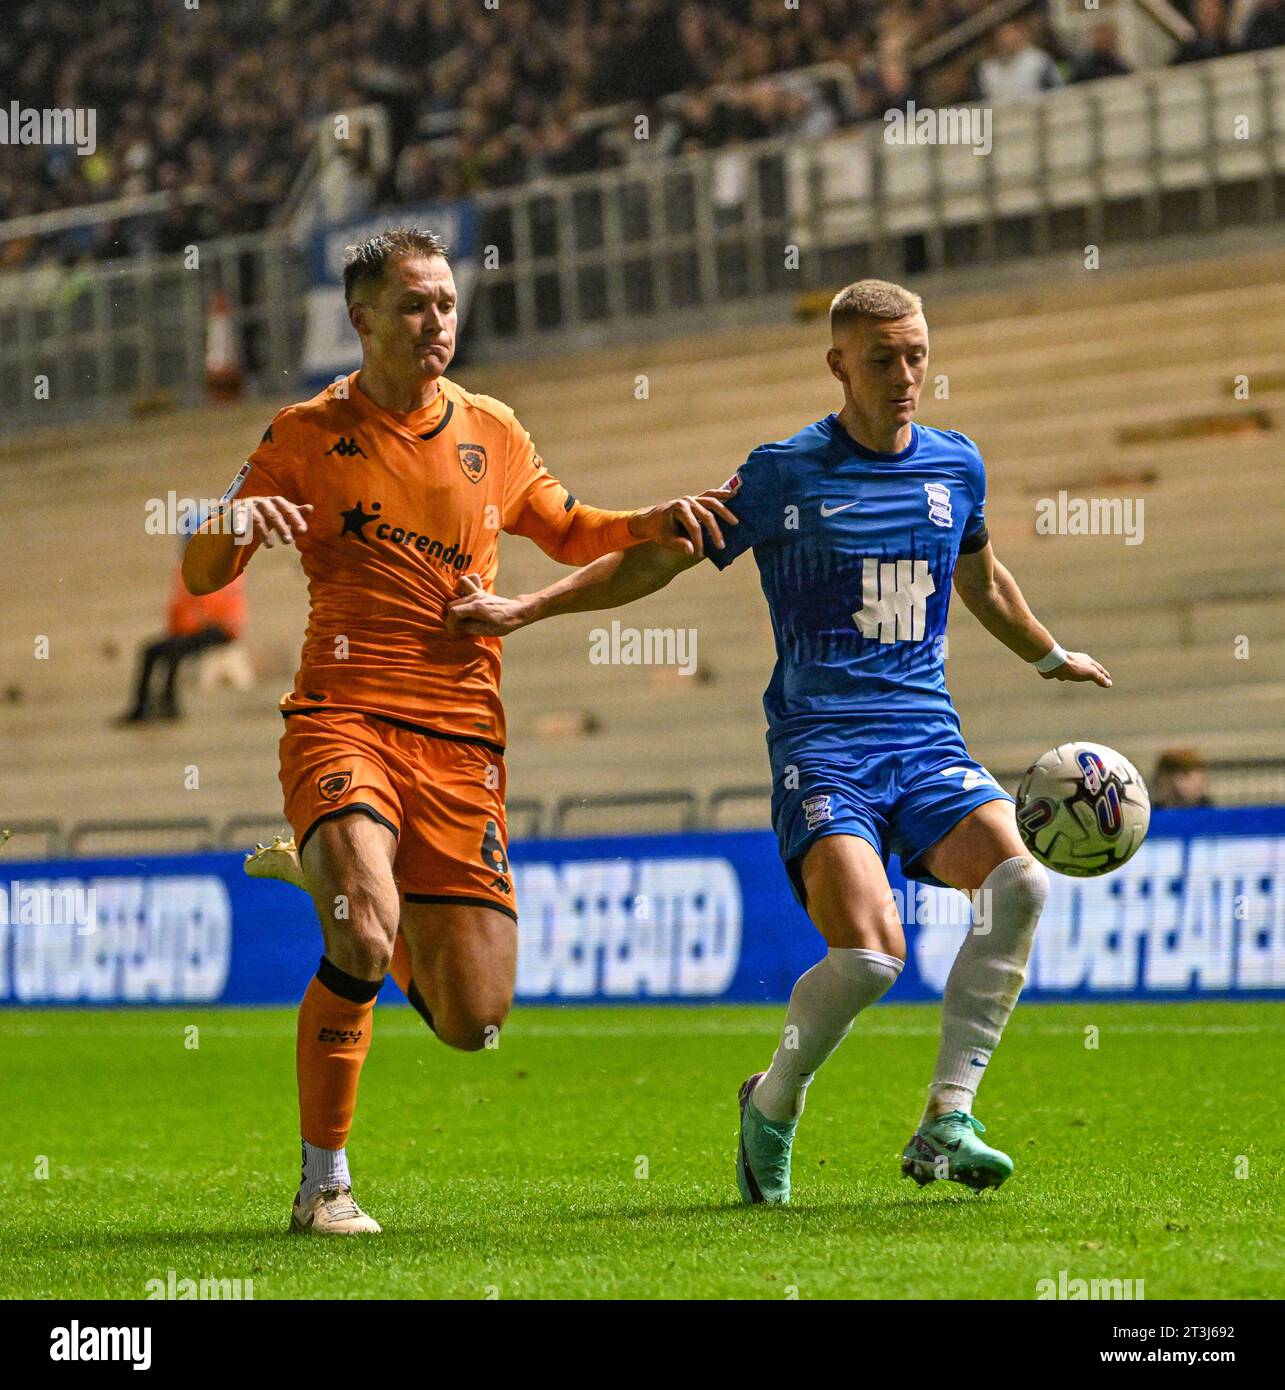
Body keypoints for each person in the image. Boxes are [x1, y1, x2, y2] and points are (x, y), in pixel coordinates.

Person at [447, 278, 1113, 1205]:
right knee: (872, 957)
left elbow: (983, 580)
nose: (906, 373)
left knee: (1021, 880)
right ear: (837, 363)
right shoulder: (783, 473)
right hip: (822, 749)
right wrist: (527, 607)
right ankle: (773, 1102)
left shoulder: (956, 467)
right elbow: (656, 557)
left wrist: (1050, 656)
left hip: (926, 743)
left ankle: (946, 1117)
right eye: (883, 358)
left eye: (917, 353)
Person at [181, 227, 733, 1236]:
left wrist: (650, 520)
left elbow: (571, 527)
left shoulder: (494, 429)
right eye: (413, 305)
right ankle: (324, 1185)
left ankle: (340, 876)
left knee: (475, 1019)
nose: (436, 320)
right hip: (342, 716)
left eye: (443, 302)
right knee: (361, 925)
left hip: (462, 742)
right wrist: (231, 529)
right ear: (362, 320)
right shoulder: (304, 433)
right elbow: (200, 572)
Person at [117, 555, 244, 723]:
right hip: (190, 630)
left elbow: (211, 608)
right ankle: (141, 708)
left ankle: (170, 705)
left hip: (219, 629)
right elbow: (181, 609)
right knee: (150, 650)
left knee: (174, 652)